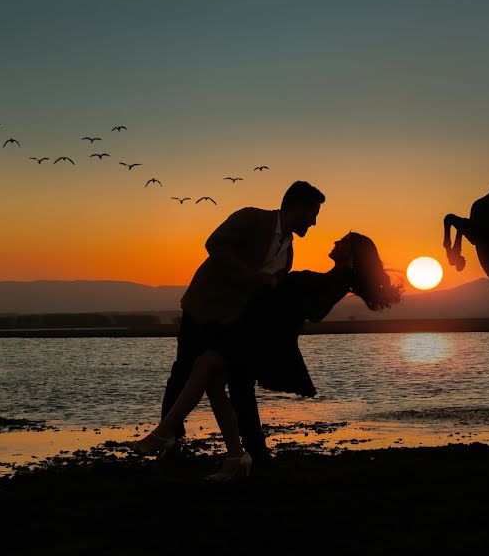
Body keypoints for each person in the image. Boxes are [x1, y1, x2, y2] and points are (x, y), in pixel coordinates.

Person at [129, 232, 401, 482]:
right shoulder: (334, 277)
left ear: (352, 253)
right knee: (211, 382)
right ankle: (234, 457)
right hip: (255, 331)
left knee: (205, 366)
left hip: (261, 338)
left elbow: (314, 311)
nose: (335, 243)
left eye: (342, 242)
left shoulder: (336, 281)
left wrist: (280, 290)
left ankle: (165, 434)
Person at [160, 180, 325, 468]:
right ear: (296, 207)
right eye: (312, 214)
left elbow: (266, 296)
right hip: (204, 309)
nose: (313, 222)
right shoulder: (252, 217)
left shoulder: (288, 252)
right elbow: (215, 243)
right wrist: (251, 277)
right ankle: (170, 442)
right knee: (184, 373)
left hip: (236, 324)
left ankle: (252, 450)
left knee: (242, 383)